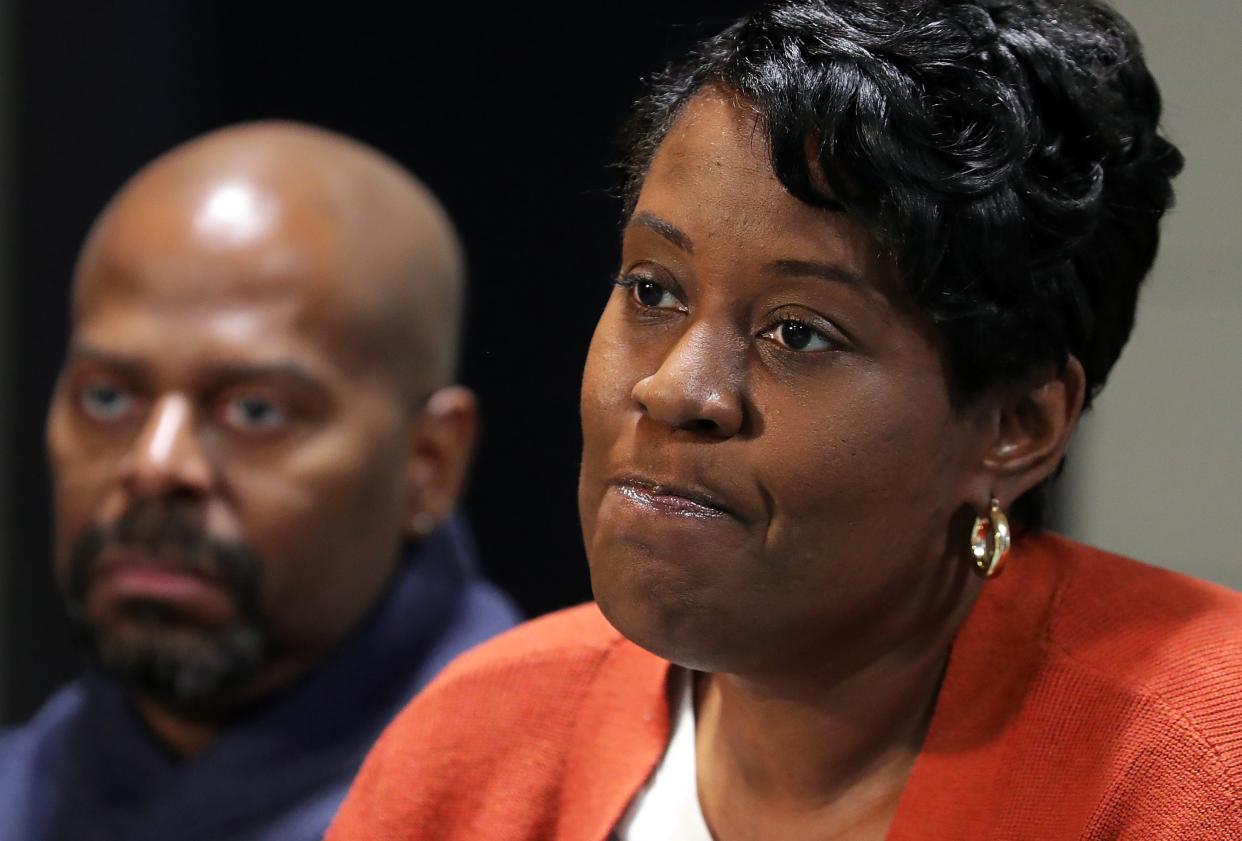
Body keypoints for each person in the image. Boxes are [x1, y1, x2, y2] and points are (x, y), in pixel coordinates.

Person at [328, 2, 1242, 839]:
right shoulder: (477, 746)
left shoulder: (1191, 770)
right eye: (652, 290)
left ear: (1016, 425)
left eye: (798, 333)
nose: (677, 388)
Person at [0, 122, 520, 840]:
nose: (154, 465)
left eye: (255, 410)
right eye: (108, 397)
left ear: (429, 464)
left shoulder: (562, 798)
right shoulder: (26, 789)